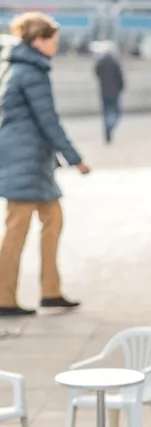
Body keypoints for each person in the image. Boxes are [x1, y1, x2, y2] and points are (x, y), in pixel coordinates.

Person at [0, 12, 89, 317]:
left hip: (30, 161)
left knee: (52, 218)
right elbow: (48, 120)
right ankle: (3, 298)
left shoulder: (18, 66)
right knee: (17, 229)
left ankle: (51, 292)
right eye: (53, 40)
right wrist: (76, 159)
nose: (56, 46)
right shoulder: (30, 71)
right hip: (24, 161)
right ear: (39, 40)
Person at [92, 40, 124, 143]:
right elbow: (119, 77)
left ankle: (107, 128)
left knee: (106, 112)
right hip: (115, 91)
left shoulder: (101, 62)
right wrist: (121, 87)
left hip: (103, 90)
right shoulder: (115, 62)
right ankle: (110, 126)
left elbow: (96, 72)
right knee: (117, 112)